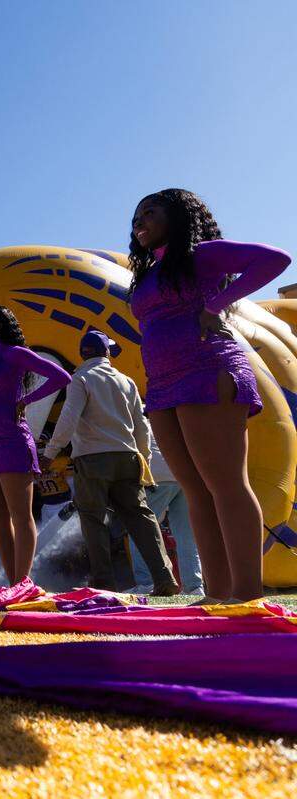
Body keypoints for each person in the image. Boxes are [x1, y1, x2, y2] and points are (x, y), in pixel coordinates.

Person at [130, 190, 291, 600]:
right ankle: (218, 594)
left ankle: (248, 595)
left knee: (226, 485)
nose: (140, 220)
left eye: (151, 211)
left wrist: (217, 303)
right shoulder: (149, 270)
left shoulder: (202, 253)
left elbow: (275, 259)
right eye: (136, 215)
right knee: (194, 488)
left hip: (208, 368)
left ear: (179, 216)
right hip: (163, 384)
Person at [43, 330, 180, 596]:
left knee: (94, 519)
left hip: (92, 459)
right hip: (127, 457)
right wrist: (145, 459)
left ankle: (103, 582)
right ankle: (164, 577)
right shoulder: (126, 381)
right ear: (106, 352)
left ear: (84, 353)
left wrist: (50, 452)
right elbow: (142, 426)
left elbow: (68, 419)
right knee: (141, 518)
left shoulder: (81, 378)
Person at [0, 305, 72, 585]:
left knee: (21, 516)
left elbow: (61, 377)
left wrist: (25, 401)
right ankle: (11, 583)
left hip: (12, 441)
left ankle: (23, 583)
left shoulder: (13, 354)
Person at [133, 435, 203, 594]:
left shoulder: (145, 420)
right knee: (186, 535)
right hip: (184, 474)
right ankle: (194, 586)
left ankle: (146, 583)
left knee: (139, 529)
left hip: (156, 475)